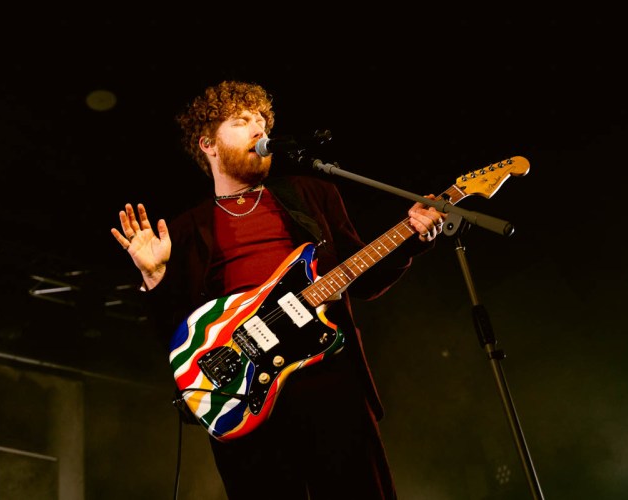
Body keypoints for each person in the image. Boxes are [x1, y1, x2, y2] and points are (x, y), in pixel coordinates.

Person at [110, 80, 445, 500]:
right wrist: (155, 277)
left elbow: (362, 278)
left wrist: (412, 238)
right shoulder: (184, 230)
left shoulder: (312, 194)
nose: (258, 129)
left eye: (262, 121)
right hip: (245, 400)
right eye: (241, 121)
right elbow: (178, 339)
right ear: (208, 145)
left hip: (327, 381)